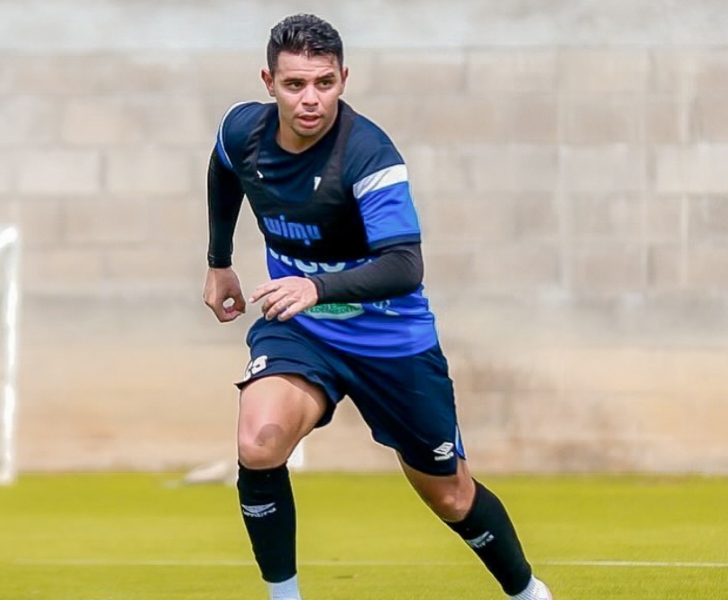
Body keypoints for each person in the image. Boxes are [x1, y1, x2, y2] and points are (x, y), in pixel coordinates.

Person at [202, 13, 554, 600]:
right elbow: (223, 168)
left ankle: (528, 593)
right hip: (303, 330)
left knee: (451, 496)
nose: (310, 99)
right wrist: (219, 261)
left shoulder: (368, 155)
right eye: (294, 85)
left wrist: (317, 287)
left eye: (324, 83)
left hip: (392, 341)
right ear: (268, 82)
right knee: (259, 442)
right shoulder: (245, 132)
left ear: (344, 78)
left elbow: (404, 265)